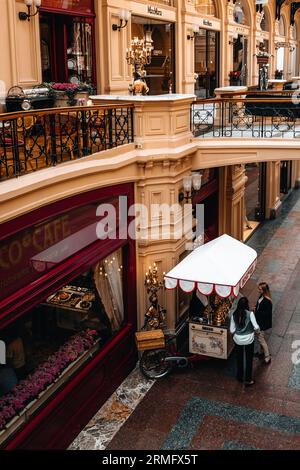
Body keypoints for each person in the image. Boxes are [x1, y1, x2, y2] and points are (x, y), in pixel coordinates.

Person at [230, 297, 260, 386]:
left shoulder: (234, 314)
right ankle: (248, 379)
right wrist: (255, 332)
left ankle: (239, 376)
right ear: (247, 304)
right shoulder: (250, 314)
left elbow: (232, 330)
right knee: (249, 359)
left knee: (239, 358)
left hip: (238, 340)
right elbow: (256, 327)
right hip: (249, 339)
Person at [255, 282, 272, 365]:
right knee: (260, 337)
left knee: (261, 339)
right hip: (259, 321)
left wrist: (257, 311)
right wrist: (256, 308)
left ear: (264, 290)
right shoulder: (261, 297)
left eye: (260, 289)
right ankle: (261, 352)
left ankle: (267, 356)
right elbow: (259, 305)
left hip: (262, 323)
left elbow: (267, 314)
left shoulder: (267, 301)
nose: (258, 290)